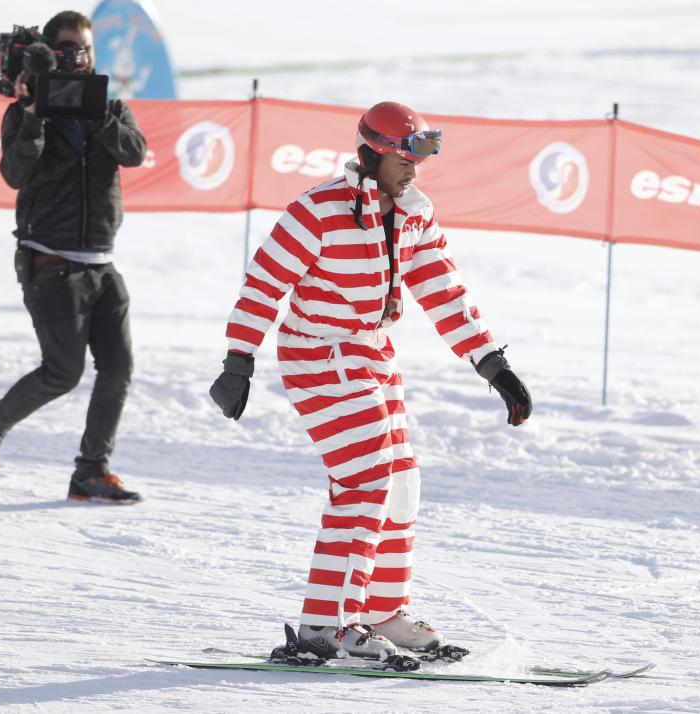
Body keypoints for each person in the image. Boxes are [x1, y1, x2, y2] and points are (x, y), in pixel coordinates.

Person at [209, 101, 532, 659]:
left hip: (371, 351)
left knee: (401, 479)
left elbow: (443, 289)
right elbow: (263, 284)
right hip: (315, 353)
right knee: (365, 477)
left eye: (419, 158)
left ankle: (380, 610)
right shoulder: (318, 210)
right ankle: (324, 625)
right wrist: (239, 361)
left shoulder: (414, 212)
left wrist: (491, 363)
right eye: (404, 158)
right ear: (373, 154)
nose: (413, 170)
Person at [0, 10, 147, 504]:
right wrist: (38, 112)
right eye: (67, 49)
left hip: (102, 259)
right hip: (50, 260)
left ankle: (91, 471)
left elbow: (134, 152)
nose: (77, 58)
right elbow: (16, 174)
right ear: (50, 53)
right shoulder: (24, 112)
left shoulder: (112, 106)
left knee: (119, 368)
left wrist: (96, 111)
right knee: (62, 371)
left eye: (84, 48)